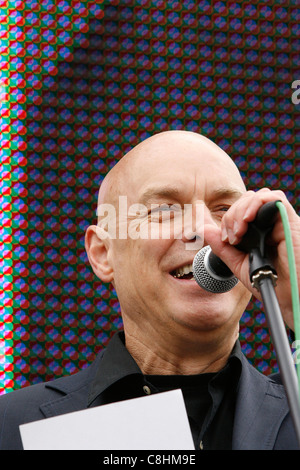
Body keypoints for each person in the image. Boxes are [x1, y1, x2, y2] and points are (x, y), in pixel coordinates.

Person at [0, 130, 299, 450]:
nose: (203, 229)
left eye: (225, 209)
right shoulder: (13, 427)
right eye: (165, 209)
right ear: (103, 254)